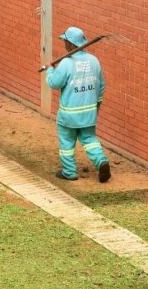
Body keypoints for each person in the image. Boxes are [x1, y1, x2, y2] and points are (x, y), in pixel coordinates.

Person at [47, 26, 111, 183]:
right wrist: (97, 106)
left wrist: (50, 70)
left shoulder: (66, 63)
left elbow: (54, 83)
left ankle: (69, 172)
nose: (63, 44)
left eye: (64, 41)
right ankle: (101, 161)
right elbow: (101, 86)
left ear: (70, 44)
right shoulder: (94, 61)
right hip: (89, 113)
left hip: (69, 115)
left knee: (67, 143)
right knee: (89, 139)